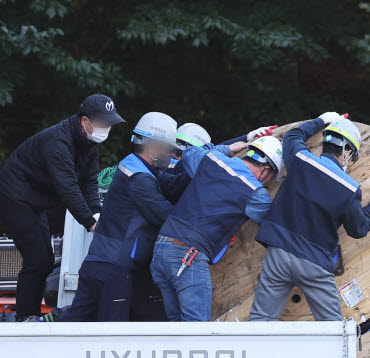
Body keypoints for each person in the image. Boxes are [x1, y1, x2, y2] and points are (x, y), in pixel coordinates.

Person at [249, 112, 370, 321]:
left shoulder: (300, 159)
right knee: (334, 331)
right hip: (314, 263)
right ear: (347, 153)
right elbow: (358, 229)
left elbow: (293, 136)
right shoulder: (349, 188)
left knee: (260, 320)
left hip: (279, 253)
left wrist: (321, 120)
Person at [0, 94, 124, 318]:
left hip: (35, 200)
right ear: (85, 121)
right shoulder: (58, 142)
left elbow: (88, 182)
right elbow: (67, 187)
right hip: (15, 197)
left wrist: (96, 213)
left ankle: (28, 317)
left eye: (109, 124)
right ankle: (24, 318)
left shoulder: (89, 142)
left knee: (43, 261)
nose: (107, 128)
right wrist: (90, 223)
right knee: (38, 260)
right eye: (103, 123)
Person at [60, 112, 188, 322]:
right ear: (154, 147)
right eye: (168, 148)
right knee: (112, 332)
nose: (170, 154)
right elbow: (167, 217)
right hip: (114, 269)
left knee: (74, 323)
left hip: (97, 262)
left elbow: (173, 184)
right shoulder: (140, 180)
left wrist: (214, 159)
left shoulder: (135, 167)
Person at [151, 136, 280, 321]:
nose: (266, 184)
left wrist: (227, 148)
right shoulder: (254, 191)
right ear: (266, 169)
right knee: (197, 330)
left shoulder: (211, 159)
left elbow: (190, 152)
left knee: (177, 328)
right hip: (187, 257)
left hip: (161, 250)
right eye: (269, 179)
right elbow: (273, 226)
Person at [167, 122, 277, 173]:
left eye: (179, 152)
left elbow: (212, 154)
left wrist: (247, 137)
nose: (172, 154)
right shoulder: (167, 168)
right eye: (174, 150)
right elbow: (210, 157)